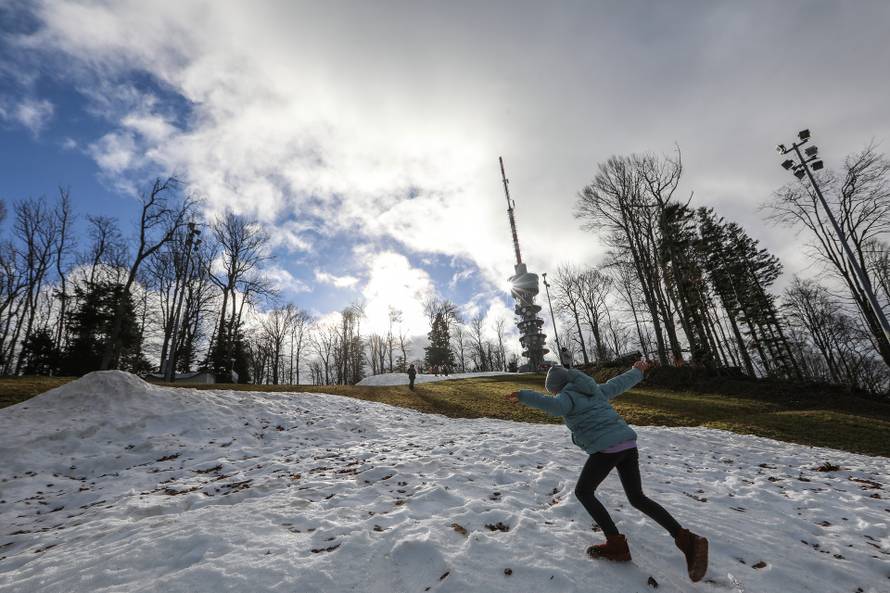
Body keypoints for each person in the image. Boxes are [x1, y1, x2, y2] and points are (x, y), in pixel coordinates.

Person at [505, 361, 709, 583]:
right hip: (627, 445)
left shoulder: (567, 396)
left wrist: (523, 395)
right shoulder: (594, 389)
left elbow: (556, 407)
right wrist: (637, 371)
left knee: (584, 492)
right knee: (637, 498)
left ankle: (616, 544)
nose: (554, 394)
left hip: (607, 449)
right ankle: (687, 540)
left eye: (552, 390)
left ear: (557, 387)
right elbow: (618, 384)